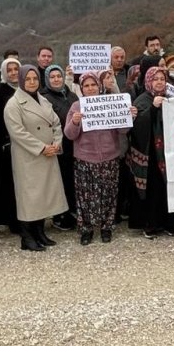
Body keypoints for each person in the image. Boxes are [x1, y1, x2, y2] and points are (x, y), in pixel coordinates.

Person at [64, 72, 137, 244]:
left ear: (99, 86)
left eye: (93, 85)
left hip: (109, 157)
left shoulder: (111, 102)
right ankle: (86, 230)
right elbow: (69, 134)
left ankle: (106, 227)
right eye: (86, 86)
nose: (90, 89)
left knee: (109, 195)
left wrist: (129, 116)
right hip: (85, 158)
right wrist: (75, 122)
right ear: (81, 89)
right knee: (85, 197)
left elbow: (123, 131)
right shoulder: (76, 106)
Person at [5, 64, 69, 250]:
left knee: (44, 195)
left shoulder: (43, 100)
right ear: (21, 80)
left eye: (35, 79)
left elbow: (56, 123)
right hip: (29, 157)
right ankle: (26, 236)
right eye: (28, 79)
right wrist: (41, 148)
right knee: (29, 198)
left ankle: (40, 232)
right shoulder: (13, 104)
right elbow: (17, 133)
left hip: (49, 153)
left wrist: (57, 143)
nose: (32, 82)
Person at [128, 67, 174, 237]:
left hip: (168, 153)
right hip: (149, 154)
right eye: (155, 79)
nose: (159, 82)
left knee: (168, 188)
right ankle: (150, 223)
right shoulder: (142, 100)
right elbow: (136, 128)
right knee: (152, 189)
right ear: (149, 81)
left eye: (162, 79)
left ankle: (169, 222)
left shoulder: (172, 99)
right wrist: (153, 108)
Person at [42, 64, 79, 234]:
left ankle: (71, 211)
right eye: (53, 77)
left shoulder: (71, 95)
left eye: (59, 76)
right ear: (47, 79)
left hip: (74, 145)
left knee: (71, 180)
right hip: (56, 147)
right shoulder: (43, 97)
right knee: (59, 182)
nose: (56, 79)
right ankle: (59, 215)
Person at [0, 57, 21, 233]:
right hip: (7, 145)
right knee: (10, 183)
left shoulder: (28, 89)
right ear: (3, 72)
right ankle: (12, 219)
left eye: (16, 69)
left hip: (28, 144)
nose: (13, 73)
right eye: (9, 70)